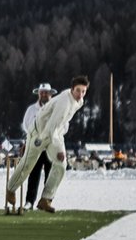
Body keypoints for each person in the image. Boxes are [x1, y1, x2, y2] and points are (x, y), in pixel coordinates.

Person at [7, 76, 91, 213]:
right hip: (38, 133)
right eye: (78, 91)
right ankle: (10, 189)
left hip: (55, 134)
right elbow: (51, 124)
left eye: (83, 91)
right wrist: (41, 140)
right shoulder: (64, 102)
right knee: (28, 165)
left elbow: (58, 125)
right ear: (72, 89)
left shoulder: (79, 100)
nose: (80, 94)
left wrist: (57, 146)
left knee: (61, 164)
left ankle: (45, 199)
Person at [13, 84, 55, 212]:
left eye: (46, 93)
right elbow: (26, 127)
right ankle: (29, 202)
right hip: (35, 146)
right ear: (38, 94)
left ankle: (46, 201)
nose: (44, 95)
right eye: (42, 93)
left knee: (50, 175)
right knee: (33, 174)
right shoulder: (31, 110)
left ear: (50, 94)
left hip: (50, 146)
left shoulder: (55, 108)